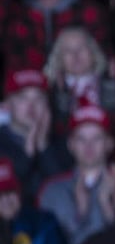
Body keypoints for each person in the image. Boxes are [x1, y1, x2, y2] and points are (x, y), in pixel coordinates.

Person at [37, 105, 115, 244]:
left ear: (109, 144)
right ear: (71, 145)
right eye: (81, 139)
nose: (89, 146)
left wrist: (108, 208)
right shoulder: (52, 190)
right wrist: (80, 214)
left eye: (97, 138)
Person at [0, 70, 68, 207]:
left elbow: (64, 190)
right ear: (7, 104)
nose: (31, 107)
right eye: (23, 98)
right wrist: (28, 151)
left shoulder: (63, 141)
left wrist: (43, 146)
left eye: (39, 99)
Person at [0, 157, 69, 244]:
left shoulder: (43, 222)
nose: (6, 200)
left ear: (19, 192)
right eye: (0, 195)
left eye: (10, 192)